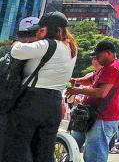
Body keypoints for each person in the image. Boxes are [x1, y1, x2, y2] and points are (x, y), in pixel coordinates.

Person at [3, 12, 77, 162]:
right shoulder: (71, 48)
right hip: (54, 103)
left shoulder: (47, 44)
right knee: (44, 151)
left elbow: (16, 51)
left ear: (46, 29)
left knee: (19, 146)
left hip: (33, 101)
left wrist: (17, 42)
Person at [66, 39, 119, 162]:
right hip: (96, 116)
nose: (96, 58)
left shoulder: (112, 68)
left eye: (98, 54)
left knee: (94, 156)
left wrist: (78, 90)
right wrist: (74, 80)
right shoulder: (107, 66)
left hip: (103, 117)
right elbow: (91, 79)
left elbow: (101, 93)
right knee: (79, 147)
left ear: (108, 53)